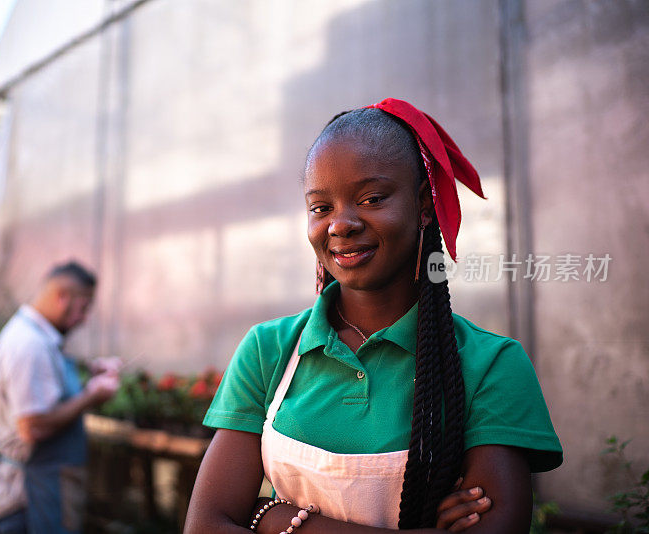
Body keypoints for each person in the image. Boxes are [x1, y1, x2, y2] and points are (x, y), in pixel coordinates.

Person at [184, 98, 562, 534]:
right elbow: (206, 525)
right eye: (320, 207)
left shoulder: (491, 365)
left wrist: (277, 519)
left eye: (371, 198)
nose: (340, 224)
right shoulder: (268, 349)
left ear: (424, 204)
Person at [0, 261, 122, 534]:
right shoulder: (29, 344)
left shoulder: (41, 338)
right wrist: (91, 396)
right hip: (35, 491)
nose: (84, 319)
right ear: (62, 298)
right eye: (84, 308)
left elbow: (47, 395)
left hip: (47, 485)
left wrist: (88, 372)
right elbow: (33, 426)